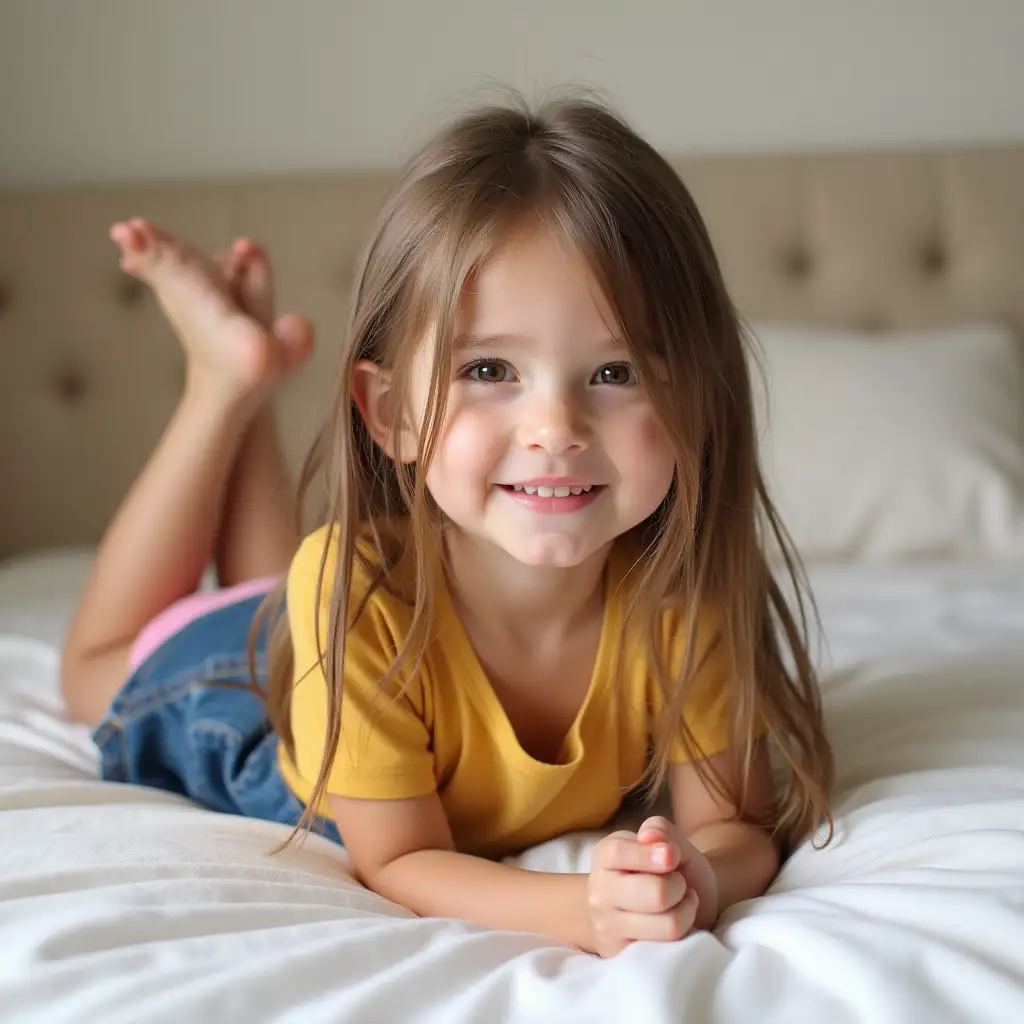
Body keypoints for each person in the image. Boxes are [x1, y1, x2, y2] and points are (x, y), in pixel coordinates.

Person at [61, 96, 833, 958]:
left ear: (698, 398)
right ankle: (223, 385)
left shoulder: (685, 595)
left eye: (613, 370)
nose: (556, 427)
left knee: (288, 587)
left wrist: (695, 874)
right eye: (491, 369)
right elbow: (399, 857)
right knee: (98, 667)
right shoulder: (347, 593)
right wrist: (582, 910)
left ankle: (248, 381)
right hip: (248, 702)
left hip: (337, 631)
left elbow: (737, 831)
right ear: (387, 412)